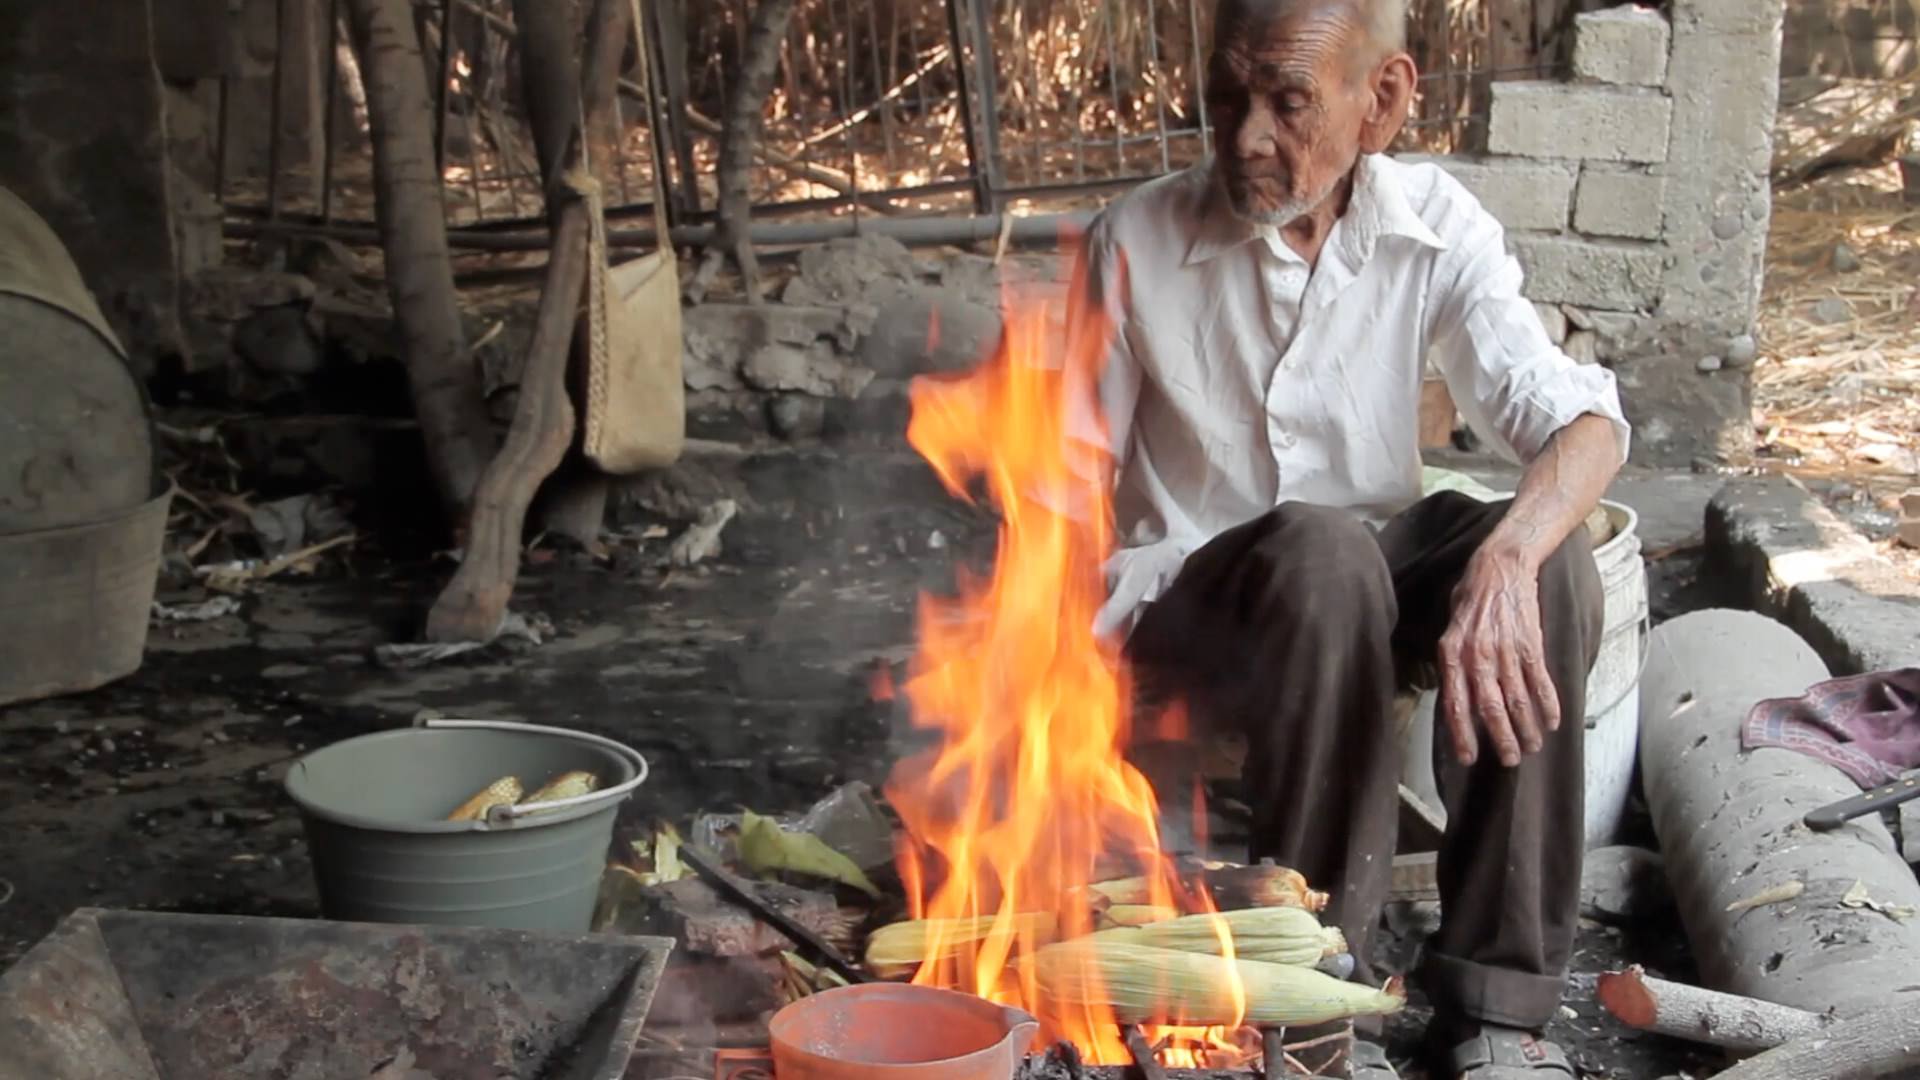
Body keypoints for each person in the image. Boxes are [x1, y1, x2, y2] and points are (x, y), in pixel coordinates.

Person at [1067, 0, 1630, 1076]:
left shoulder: (1431, 225)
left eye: (1287, 102)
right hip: (1192, 599)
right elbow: (1053, 501)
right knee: (1323, 555)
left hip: (1363, 568)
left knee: (1547, 562)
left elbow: (1583, 423)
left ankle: (1498, 1010)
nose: (1243, 137)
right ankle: (1317, 1008)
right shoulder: (1134, 241)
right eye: (1227, 95)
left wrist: (1508, 558)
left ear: (1384, 101)